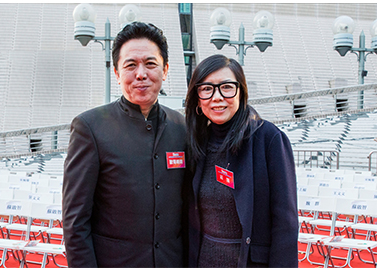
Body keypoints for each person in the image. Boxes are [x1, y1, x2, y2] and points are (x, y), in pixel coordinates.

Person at [62, 22, 188, 268]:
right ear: (117, 74)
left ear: (165, 70)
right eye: (130, 65)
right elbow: (75, 222)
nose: (141, 74)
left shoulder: (181, 126)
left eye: (150, 64)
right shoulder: (90, 127)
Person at [185, 54, 298, 268]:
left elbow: (286, 224)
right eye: (207, 89)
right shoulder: (197, 143)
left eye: (226, 87)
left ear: (241, 92)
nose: (217, 97)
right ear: (197, 99)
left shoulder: (268, 139)